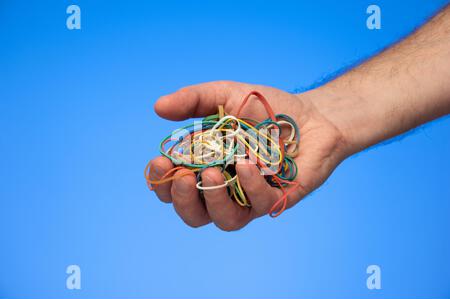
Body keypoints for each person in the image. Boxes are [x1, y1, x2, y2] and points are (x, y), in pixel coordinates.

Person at [149, 5, 450, 231]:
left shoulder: (255, 144)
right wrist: (331, 112)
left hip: (252, 149)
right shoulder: (226, 141)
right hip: (240, 149)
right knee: (210, 177)